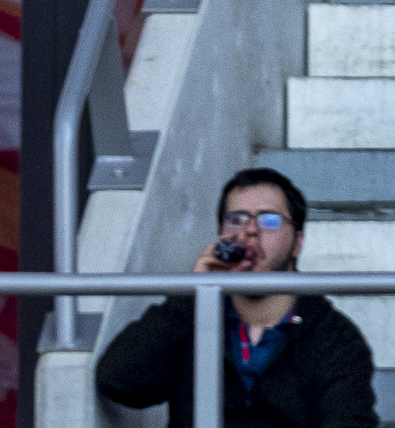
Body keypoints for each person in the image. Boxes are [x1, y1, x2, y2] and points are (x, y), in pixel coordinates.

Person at [95, 170, 376, 428]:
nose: (250, 230)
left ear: (297, 242)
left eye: (269, 220)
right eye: (236, 219)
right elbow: (119, 381)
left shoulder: (334, 338)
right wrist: (195, 292)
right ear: (220, 235)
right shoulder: (191, 319)